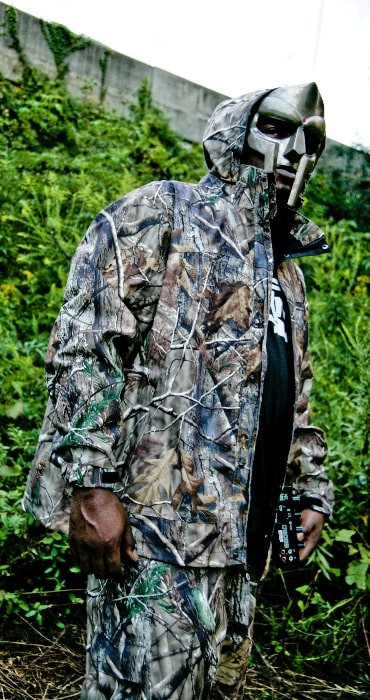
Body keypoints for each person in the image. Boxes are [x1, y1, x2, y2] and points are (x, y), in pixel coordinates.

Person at [23, 82, 334, 700]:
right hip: (155, 541)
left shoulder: (285, 271)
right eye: (276, 128)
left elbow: (288, 392)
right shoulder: (161, 214)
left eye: (313, 140)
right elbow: (89, 348)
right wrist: (90, 484)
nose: (296, 151)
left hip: (242, 553)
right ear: (234, 129)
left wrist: (310, 488)